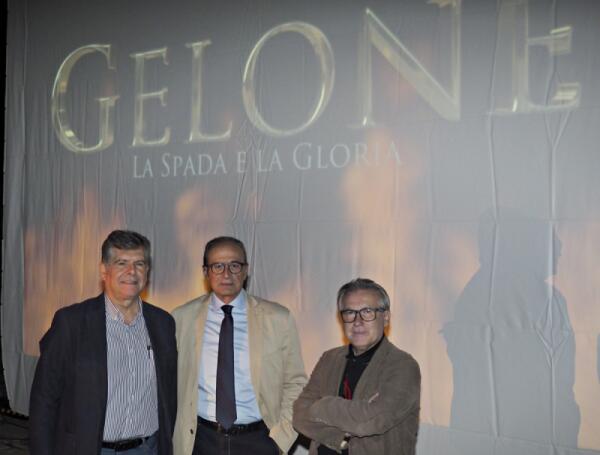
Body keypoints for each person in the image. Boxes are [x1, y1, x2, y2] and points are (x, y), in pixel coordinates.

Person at [29, 230, 177, 455]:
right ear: (103, 270)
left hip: (148, 448)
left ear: (147, 271)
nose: (131, 271)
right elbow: (44, 400)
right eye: (121, 263)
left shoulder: (163, 323)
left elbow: (169, 395)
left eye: (139, 263)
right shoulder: (71, 323)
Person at [172, 236, 306, 455]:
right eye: (218, 266)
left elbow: (296, 383)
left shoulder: (278, 318)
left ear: (245, 271)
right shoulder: (182, 318)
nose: (226, 274)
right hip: (200, 441)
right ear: (205, 272)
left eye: (234, 265)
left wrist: (280, 438)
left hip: (259, 441)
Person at [293, 278, 420, 455]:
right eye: (350, 312)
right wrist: (340, 439)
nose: (357, 321)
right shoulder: (329, 358)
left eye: (367, 312)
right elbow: (299, 415)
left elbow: (370, 422)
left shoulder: (403, 366)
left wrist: (323, 404)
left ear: (385, 317)